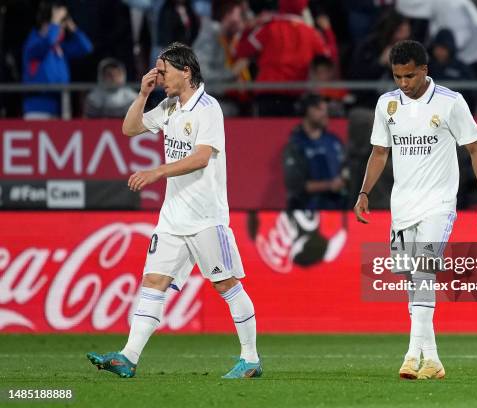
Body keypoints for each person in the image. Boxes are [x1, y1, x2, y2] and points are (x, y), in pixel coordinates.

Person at [86, 42, 261, 379]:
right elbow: (129, 129)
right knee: (153, 282)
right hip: (172, 218)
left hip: (206, 217)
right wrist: (141, 94)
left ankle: (251, 358)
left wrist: (157, 171)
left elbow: (201, 157)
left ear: (187, 71)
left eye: (164, 71)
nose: (159, 76)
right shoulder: (168, 106)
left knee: (226, 285)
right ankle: (128, 356)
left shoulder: (208, 108)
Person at [353, 40, 477, 380]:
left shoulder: (450, 103)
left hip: (439, 205)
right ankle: (432, 359)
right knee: (411, 281)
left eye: (410, 76)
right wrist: (363, 192)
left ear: (424, 70)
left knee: (423, 273)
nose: (403, 83)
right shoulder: (386, 104)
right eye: (397, 77)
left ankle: (410, 356)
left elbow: (475, 150)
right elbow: (379, 153)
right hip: (401, 207)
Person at [22, 1, 93, 119]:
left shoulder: (60, 49)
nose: (61, 30)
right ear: (44, 25)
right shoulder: (33, 43)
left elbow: (86, 48)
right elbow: (48, 40)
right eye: (58, 26)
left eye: (61, 26)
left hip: (60, 107)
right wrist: (54, 21)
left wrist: (72, 27)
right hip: (37, 109)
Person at [283, 93, 348, 210]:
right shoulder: (296, 144)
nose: (325, 114)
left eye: (326, 109)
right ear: (309, 110)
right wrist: (329, 186)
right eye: (320, 109)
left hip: (336, 209)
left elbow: (345, 169)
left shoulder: (334, 141)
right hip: (304, 211)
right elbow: (296, 185)